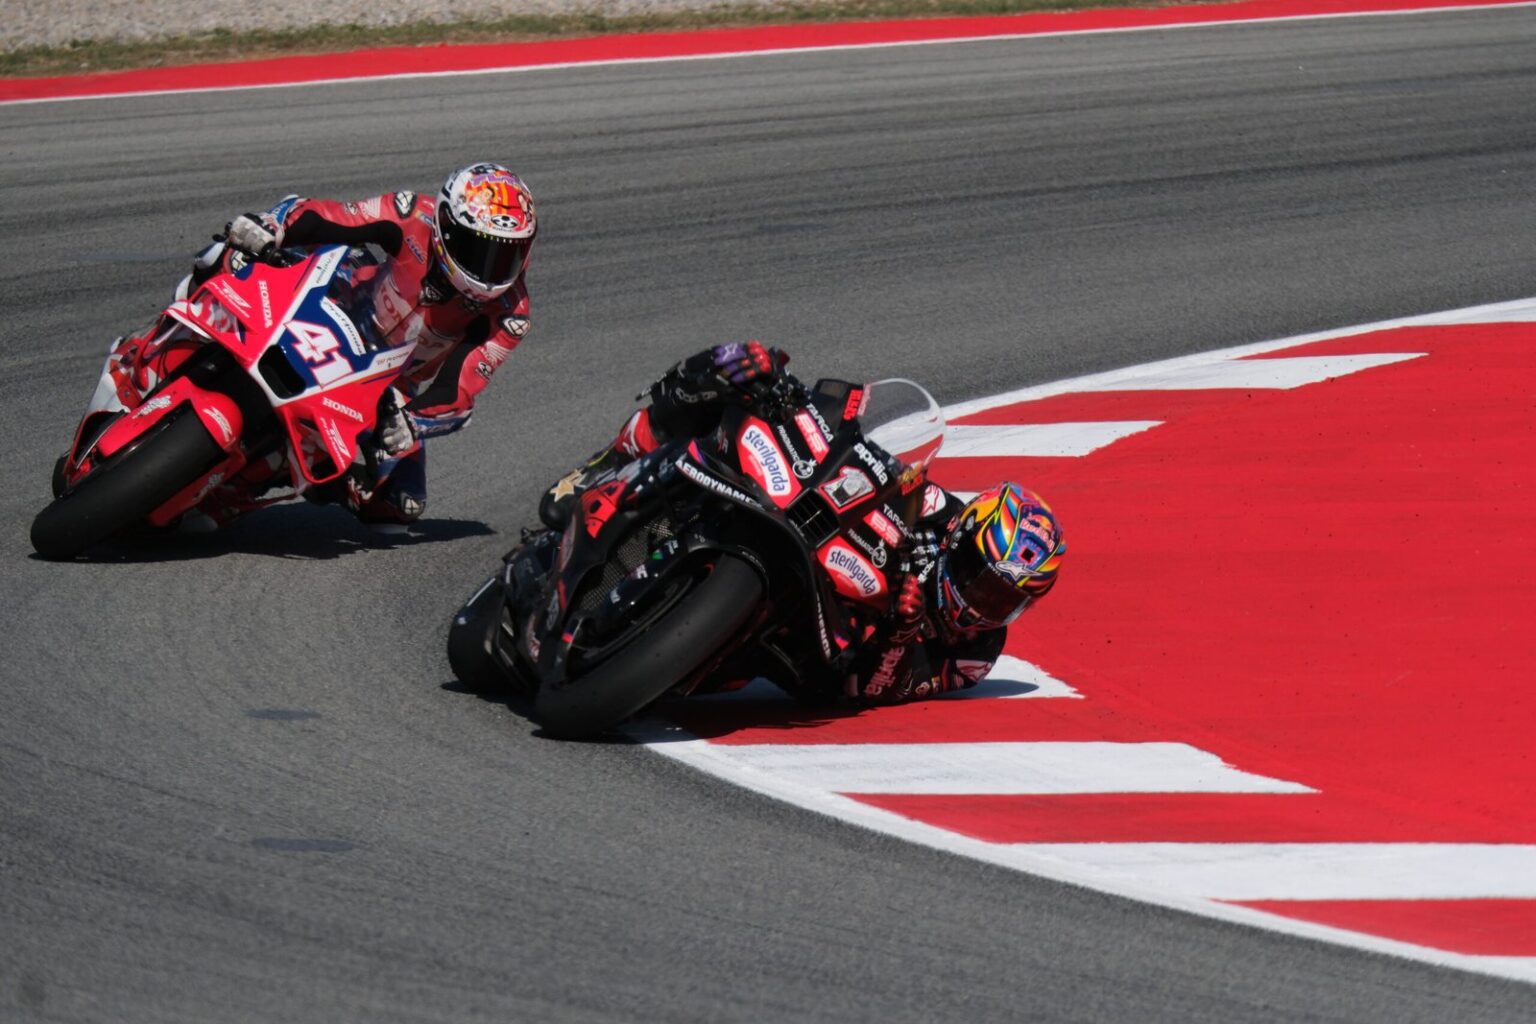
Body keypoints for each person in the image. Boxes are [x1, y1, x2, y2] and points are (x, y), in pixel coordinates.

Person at [539, 342, 1066, 704]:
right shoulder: (933, 508)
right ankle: (605, 467)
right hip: (807, 537)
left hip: (818, 655)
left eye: (1004, 600)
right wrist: (821, 407)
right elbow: (882, 469)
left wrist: (900, 636)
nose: (982, 601)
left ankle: (657, 652)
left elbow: (877, 691)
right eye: (981, 577)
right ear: (963, 535)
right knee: (742, 372)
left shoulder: (976, 655)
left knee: (728, 683)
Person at [97, 162, 537, 526]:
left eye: (507, 255)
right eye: (479, 250)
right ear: (445, 224)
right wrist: (274, 228)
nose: (492, 268)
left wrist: (413, 422)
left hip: (385, 384)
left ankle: (235, 487)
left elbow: (458, 390)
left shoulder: (510, 313)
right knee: (225, 257)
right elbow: (333, 216)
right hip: (333, 302)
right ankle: (145, 354)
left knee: (399, 503)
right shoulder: (412, 215)